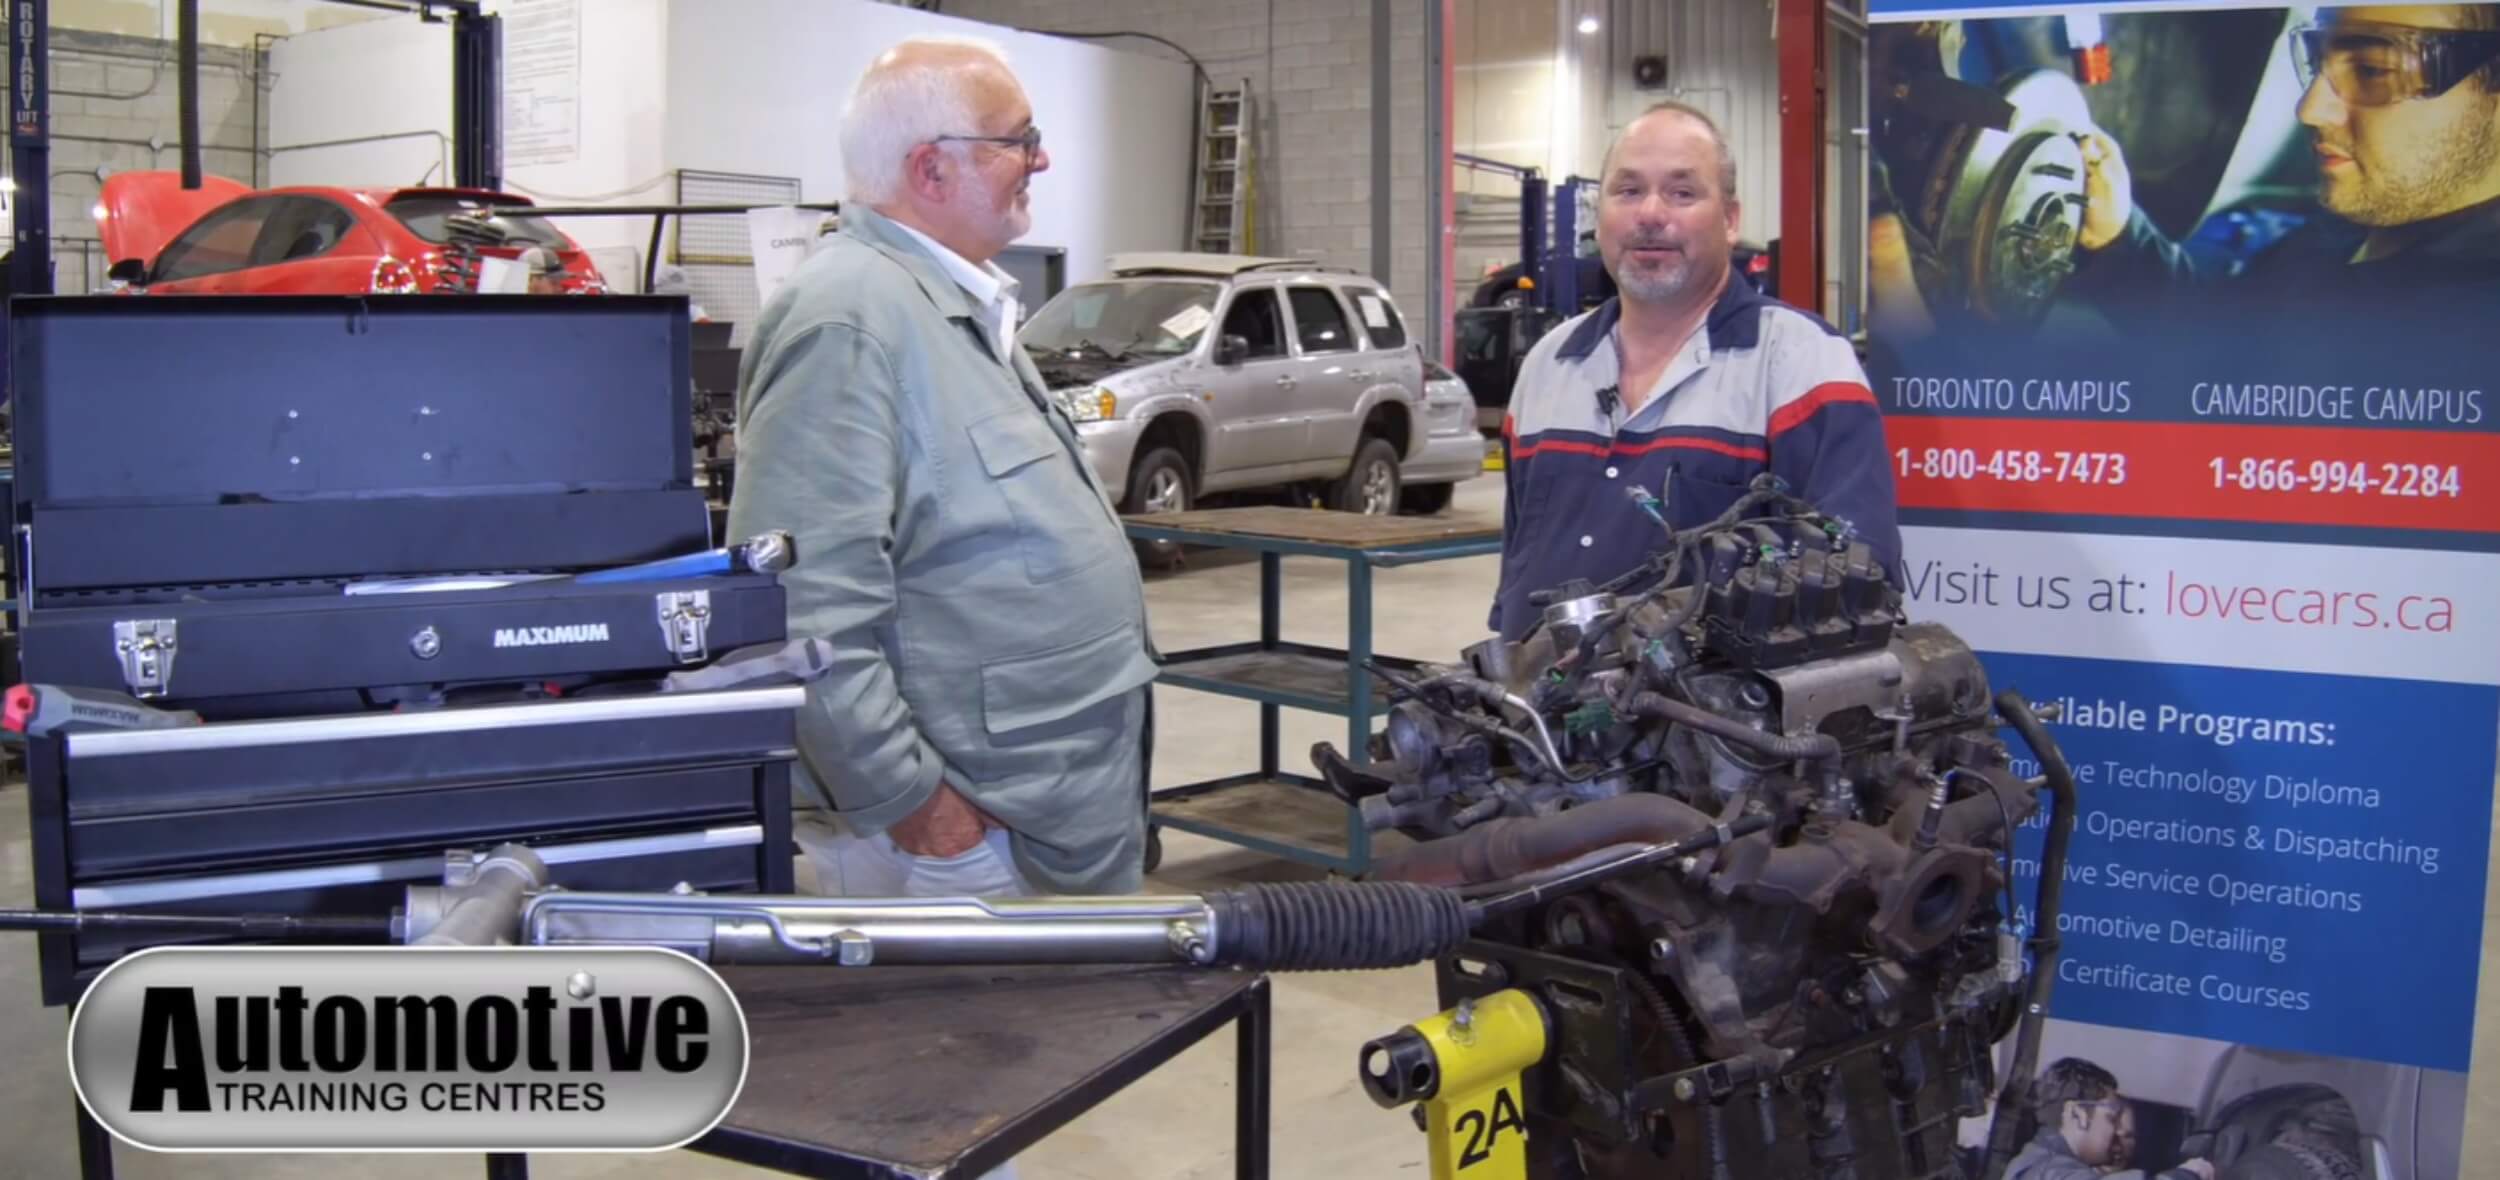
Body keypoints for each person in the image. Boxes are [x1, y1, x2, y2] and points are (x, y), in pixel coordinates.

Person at [723, 36, 1159, 904]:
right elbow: (804, 610)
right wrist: (917, 807)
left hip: (1046, 818)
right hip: (969, 849)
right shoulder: (849, 320)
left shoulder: (953, 305)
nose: (1042, 158)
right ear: (930, 169)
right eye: (1018, 138)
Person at [1489, 101, 1901, 642]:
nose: (1651, 213)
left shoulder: (1802, 363)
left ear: (1730, 220)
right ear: (1601, 214)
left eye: (1682, 193)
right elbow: (1521, 558)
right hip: (1537, 718)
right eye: (1628, 190)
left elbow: (1861, 581)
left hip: (1705, 722)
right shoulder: (1550, 361)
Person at [2080, 5, 2500, 295]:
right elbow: (2228, 332)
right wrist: (2118, 238)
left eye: (2373, 71)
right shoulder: (2365, 218)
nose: (2309, 110)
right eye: (2317, 65)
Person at [2006, 1058, 2215, 1180]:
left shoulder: (2034, 1160)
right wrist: (2186, 1175)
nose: (2118, 1131)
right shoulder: (2050, 1170)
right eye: (2112, 1118)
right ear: (2078, 1114)